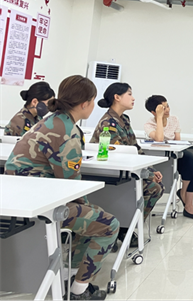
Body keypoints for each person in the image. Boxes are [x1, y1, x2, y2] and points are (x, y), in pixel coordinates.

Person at [5, 75, 119, 301]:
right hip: (40, 203)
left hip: (19, 197)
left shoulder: (51, 120)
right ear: (85, 103)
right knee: (108, 225)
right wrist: (88, 208)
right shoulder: (67, 131)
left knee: (91, 215)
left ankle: (69, 276)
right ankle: (78, 291)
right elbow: (70, 184)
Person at [90, 83, 164, 247]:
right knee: (154, 188)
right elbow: (119, 156)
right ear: (117, 97)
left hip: (125, 171)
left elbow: (135, 149)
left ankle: (126, 228)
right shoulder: (108, 123)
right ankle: (125, 229)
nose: (133, 98)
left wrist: (151, 170)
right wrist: (148, 175)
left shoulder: (124, 120)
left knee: (156, 185)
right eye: (129, 94)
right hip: (111, 174)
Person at [144, 95, 193, 220]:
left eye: (167, 106)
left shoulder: (174, 119)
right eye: (163, 108)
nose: (167, 110)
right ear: (154, 112)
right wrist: (159, 118)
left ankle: (186, 200)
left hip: (175, 155)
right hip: (161, 159)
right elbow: (159, 139)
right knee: (191, 160)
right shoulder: (149, 124)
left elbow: (178, 142)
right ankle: (186, 201)